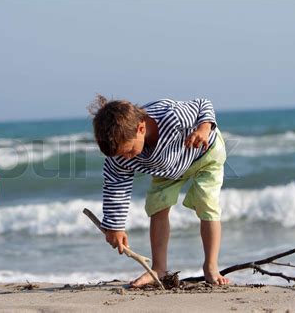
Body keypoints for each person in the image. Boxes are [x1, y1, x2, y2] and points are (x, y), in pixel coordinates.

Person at [89, 95, 229, 287]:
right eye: (121, 155)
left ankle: (211, 266)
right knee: (157, 206)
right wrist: (115, 226)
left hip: (204, 153)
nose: (127, 159)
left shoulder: (171, 115)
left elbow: (203, 104)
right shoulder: (120, 156)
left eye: (129, 151)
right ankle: (159, 268)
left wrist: (203, 129)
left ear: (141, 128)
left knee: (207, 203)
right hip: (167, 167)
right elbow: (116, 186)